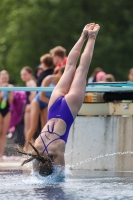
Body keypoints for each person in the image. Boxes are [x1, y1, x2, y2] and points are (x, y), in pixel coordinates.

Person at [17, 23, 100, 176]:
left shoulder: (57, 151)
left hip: (68, 109)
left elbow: (60, 176)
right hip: (54, 106)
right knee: (69, 66)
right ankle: (83, 35)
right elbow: (35, 172)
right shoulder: (37, 148)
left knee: (82, 69)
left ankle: (92, 37)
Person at [24, 66, 65, 148]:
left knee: (45, 128)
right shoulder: (48, 79)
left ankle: (42, 147)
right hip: (38, 101)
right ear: (59, 73)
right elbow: (41, 96)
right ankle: (25, 147)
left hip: (47, 104)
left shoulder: (61, 83)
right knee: (33, 127)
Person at [0, 70, 14, 159]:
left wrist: (7, 91)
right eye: (3, 78)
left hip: (7, 110)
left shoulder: (10, 87)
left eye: (6, 78)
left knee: (3, 134)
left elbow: (11, 101)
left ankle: (0, 155)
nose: (5, 79)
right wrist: (2, 91)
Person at [20, 66, 37, 139]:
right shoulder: (29, 82)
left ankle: (28, 147)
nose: (23, 76)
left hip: (29, 107)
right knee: (29, 128)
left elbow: (34, 94)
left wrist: (30, 105)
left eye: (25, 74)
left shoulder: (30, 82)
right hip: (30, 106)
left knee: (28, 129)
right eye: (22, 74)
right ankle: (29, 146)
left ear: (30, 74)